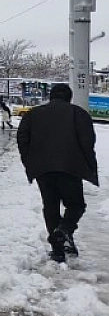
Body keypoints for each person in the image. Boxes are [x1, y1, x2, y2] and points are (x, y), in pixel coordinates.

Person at [17, 83, 98, 263]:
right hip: (71, 168)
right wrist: (89, 166)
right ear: (69, 97)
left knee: (51, 206)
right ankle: (64, 231)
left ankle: (58, 250)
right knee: (76, 205)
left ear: (51, 96)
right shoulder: (78, 114)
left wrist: (29, 162)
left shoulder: (32, 114)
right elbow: (87, 142)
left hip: (42, 169)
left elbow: (22, 138)